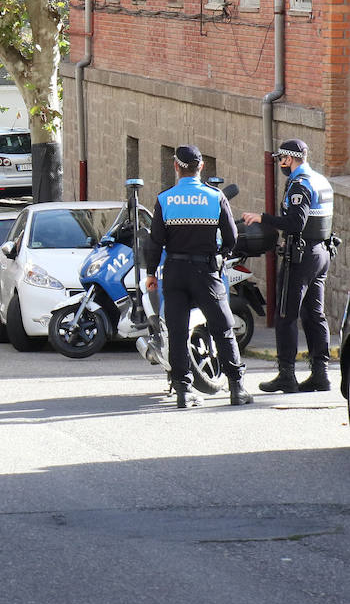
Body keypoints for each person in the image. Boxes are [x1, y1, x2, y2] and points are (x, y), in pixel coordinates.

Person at [142, 145, 251, 408]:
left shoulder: (165, 199)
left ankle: (183, 391)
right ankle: (236, 388)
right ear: (201, 167)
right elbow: (232, 237)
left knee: (178, 331)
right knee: (223, 328)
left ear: (176, 167)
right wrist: (222, 255)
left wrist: (150, 273)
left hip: (175, 272)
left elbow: (154, 241)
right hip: (206, 271)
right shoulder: (215, 197)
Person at [242, 139, 337, 393]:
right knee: (314, 315)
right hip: (321, 253)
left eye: (280, 159)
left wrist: (263, 218)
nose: (280, 164)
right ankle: (320, 374)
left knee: (285, 316)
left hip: (302, 255)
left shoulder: (300, 184)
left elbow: (295, 222)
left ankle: (287, 375)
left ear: (289, 159)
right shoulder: (321, 180)